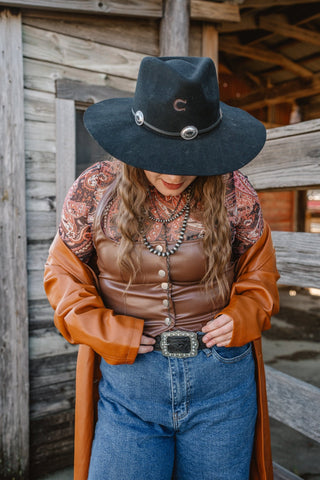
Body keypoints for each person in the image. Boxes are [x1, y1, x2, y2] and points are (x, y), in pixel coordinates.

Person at [44, 56, 279, 480]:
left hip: (222, 383)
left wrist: (244, 314)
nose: (172, 172)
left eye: (187, 156)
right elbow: (63, 277)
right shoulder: (95, 188)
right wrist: (104, 329)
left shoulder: (234, 189)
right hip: (129, 385)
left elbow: (259, 274)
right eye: (160, 154)